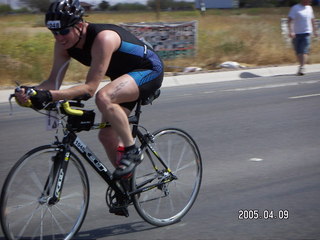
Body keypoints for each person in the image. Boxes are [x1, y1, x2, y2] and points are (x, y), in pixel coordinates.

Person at [15, 0, 164, 180]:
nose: (59, 37)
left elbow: (90, 89)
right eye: (53, 32)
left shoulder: (103, 38)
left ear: (79, 25)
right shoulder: (64, 44)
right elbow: (52, 82)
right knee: (107, 136)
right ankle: (126, 189)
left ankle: (131, 151)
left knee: (104, 97)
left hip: (148, 70)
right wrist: (29, 92)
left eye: (63, 31)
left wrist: (49, 96)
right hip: (121, 79)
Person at [288, 0, 318, 75]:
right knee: (298, 52)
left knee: (304, 51)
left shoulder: (310, 8)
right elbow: (290, 20)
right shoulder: (295, 8)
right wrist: (291, 31)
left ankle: (302, 67)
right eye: (308, 0)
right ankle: (301, 65)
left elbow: (312, 20)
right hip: (296, 33)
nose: (309, 2)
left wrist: (315, 31)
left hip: (307, 33)